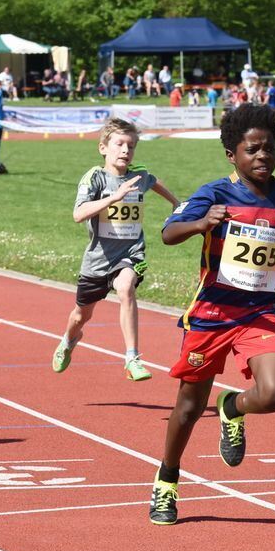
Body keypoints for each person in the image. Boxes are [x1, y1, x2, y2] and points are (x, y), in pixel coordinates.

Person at [148, 104, 275, 525]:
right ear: (232, 154)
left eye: (269, 149)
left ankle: (234, 407)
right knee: (187, 408)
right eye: (252, 150)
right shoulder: (214, 193)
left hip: (259, 312)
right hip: (211, 315)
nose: (263, 156)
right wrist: (201, 223)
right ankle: (166, 481)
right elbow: (168, 234)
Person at [52, 117, 180, 382]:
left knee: (125, 289)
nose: (125, 150)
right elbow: (78, 214)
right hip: (98, 260)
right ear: (103, 148)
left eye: (131, 146)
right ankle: (68, 341)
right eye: (119, 144)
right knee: (80, 316)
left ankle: (132, 358)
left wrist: (176, 203)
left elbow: (153, 181)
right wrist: (113, 197)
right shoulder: (95, 178)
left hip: (130, 253)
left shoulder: (139, 175)